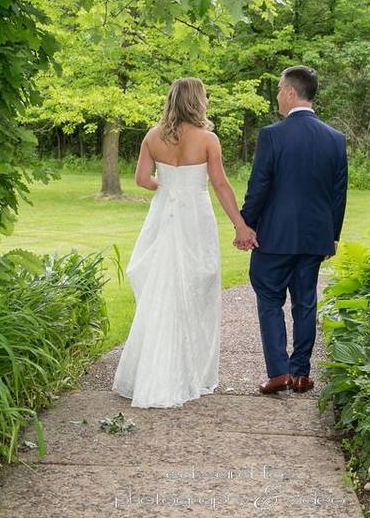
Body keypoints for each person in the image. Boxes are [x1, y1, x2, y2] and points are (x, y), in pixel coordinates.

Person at [111, 77, 257, 408]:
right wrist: (241, 226)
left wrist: (165, 187)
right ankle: (193, 371)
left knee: (164, 288)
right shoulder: (208, 139)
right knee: (198, 287)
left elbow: (141, 179)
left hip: (164, 214)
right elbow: (220, 184)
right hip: (195, 217)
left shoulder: (153, 136)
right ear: (196, 101)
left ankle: (159, 367)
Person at [237, 66, 349, 396]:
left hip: (275, 236)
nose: (277, 97)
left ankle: (278, 372)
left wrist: (246, 224)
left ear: (290, 92)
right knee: (305, 302)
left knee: (269, 298)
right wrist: (333, 236)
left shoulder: (272, 135)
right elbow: (338, 193)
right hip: (315, 237)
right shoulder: (335, 139)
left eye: (277, 90)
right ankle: (301, 373)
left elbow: (259, 186)